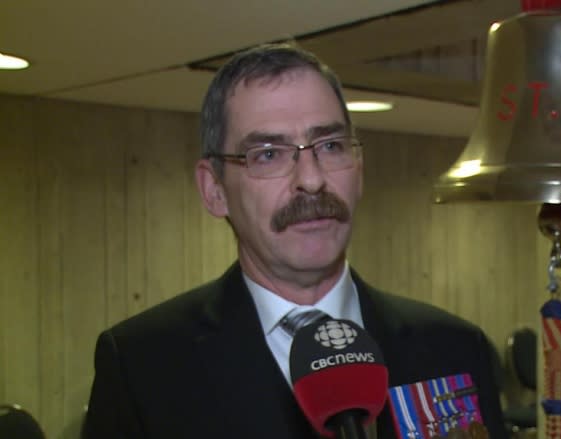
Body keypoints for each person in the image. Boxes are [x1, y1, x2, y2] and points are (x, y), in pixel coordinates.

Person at [82, 43, 507, 439]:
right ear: (213, 189)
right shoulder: (143, 365)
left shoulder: (454, 347)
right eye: (268, 153)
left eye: (331, 145)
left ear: (358, 166)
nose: (311, 179)